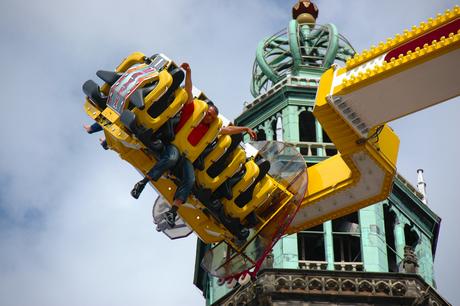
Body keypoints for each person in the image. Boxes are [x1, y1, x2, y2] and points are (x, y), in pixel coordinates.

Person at [130, 62, 257, 228]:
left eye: (212, 117)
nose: (209, 118)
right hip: (174, 147)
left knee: (190, 180)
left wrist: (246, 129)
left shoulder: (212, 129)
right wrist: (188, 72)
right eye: (209, 114)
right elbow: (188, 90)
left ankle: (172, 212)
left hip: (186, 157)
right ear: (205, 111)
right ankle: (142, 183)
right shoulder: (192, 111)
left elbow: (228, 129)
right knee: (171, 158)